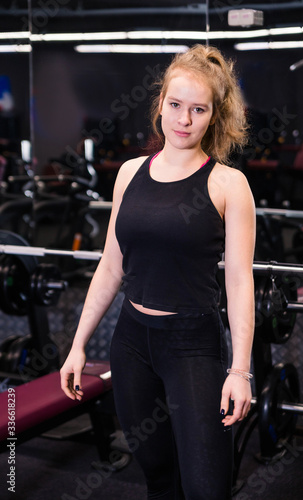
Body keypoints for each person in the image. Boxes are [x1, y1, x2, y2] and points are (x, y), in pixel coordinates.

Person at [60, 44, 256, 500]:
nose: (183, 120)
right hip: (131, 342)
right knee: (158, 476)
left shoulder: (228, 184)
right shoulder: (130, 173)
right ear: (160, 104)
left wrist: (240, 370)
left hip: (193, 345)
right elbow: (111, 265)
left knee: (207, 487)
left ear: (214, 115)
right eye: (174, 105)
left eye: (197, 109)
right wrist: (77, 345)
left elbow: (239, 281)